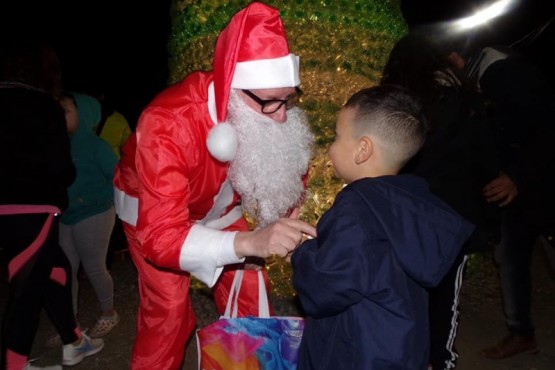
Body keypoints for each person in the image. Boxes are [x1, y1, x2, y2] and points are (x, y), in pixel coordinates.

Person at [113, 2, 316, 369]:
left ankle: (243, 364)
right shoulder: (166, 123)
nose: (283, 115)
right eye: (272, 103)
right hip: (154, 220)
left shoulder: (267, 107)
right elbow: (161, 236)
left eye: (289, 98)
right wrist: (250, 242)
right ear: (233, 92)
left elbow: (291, 166)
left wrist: (284, 215)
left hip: (220, 211)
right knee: (169, 316)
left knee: (252, 295)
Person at [291, 85, 475, 370]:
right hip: (399, 351)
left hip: (354, 355)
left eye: (338, 136)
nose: (331, 146)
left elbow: (323, 290)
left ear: (363, 149)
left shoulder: (357, 211)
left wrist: (302, 251)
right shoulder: (411, 206)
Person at [380, 33, 501, 370]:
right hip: (454, 218)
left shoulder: (398, 102)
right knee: (445, 300)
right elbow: (484, 158)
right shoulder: (466, 99)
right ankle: (441, 362)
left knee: (404, 295)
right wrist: (491, 222)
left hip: (407, 215)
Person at [0, 41, 103, 370]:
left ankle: (73, 342)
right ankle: (13, 364)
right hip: (30, 209)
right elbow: (61, 167)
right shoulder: (42, 105)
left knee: (56, 267)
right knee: (25, 293)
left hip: (9, 211)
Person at [464, 45, 555, 359]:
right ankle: (521, 333)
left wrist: (517, 176)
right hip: (517, 197)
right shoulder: (487, 78)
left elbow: (546, 133)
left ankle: (521, 332)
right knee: (511, 260)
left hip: (540, 189)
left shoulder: (509, 75)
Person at [58, 92, 120, 339]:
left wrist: (91, 198)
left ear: (82, 114)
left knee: (94, 266)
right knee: (66, 269)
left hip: (95, 213)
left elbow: (118, 178)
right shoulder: (59, 144)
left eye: (65, 110)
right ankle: (69, 324)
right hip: (66, 215)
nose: (59, 115)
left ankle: (109, 313)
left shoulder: (96, 146)